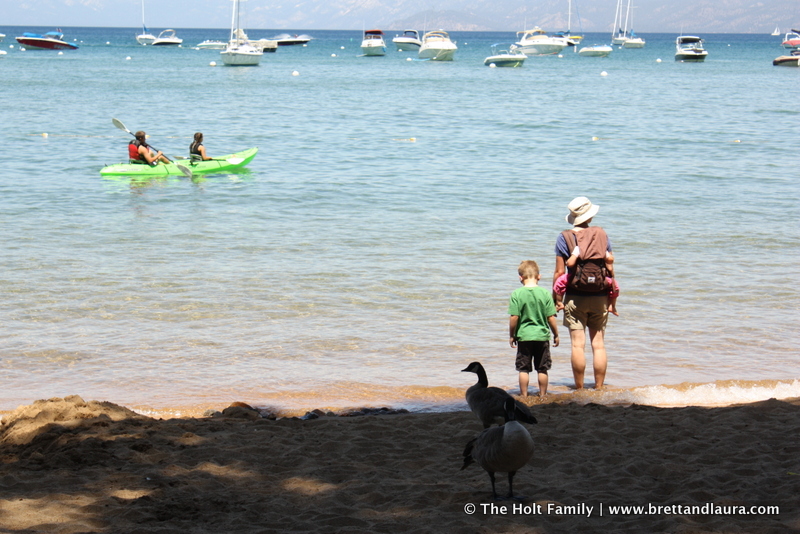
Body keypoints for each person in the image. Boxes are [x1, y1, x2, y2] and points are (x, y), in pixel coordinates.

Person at [553, 196, 614, 390]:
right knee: (599, 344)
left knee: (577, 345)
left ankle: (579, 388)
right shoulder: (602, 235)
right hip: (600, 295)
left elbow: (559, 272)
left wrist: (556, 299)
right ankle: (599, 387)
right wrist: (611, 296)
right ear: (590, 216)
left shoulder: (564, 237)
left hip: (575, 296)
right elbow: (609, 266)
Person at [508, 260, 560, 398]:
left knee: (523, 369)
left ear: (520, 277)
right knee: (542, 368)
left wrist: (512, 335)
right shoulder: (545, 293)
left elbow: (514, 317)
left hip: (524, 336)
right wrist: (556, 334)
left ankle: (524, 395)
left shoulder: (516, 294)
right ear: (539, 276)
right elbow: (550, 317)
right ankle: (543, 394)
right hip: (542, 336)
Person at [553, 246, 619, 316]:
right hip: (598, 278)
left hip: (580, 277)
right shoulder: (601, 248)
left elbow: (570, 263)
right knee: (614, 285)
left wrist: (571, 259)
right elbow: (610, 262)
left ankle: (559, 302)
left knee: (560, 281)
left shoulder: (578, 248)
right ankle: (612, 305)